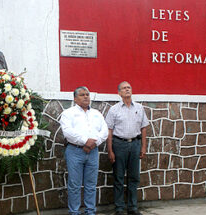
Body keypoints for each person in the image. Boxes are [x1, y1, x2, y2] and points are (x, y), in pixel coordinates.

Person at [59, 86, 108, 215]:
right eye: (82, 95)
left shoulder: (97, 114)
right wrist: (85, 141)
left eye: (87, 94)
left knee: (91, 184)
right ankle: (74, 212)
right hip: (75, 151)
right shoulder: (68, 113)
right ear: (75, 99)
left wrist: (94, 143)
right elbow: (68, 132)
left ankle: (90, 211)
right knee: (74, 185)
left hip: (93, 152)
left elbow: (104, 131)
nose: (86, 96)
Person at [105, 81, 149, 215]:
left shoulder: (139, 108)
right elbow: (109, 131)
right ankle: (119, 208)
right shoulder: (114, 109)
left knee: (134, 177)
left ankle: (132, 207)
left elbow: (144, 128)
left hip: (135, 144)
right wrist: (110, 150)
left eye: (129, 87)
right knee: (118, 177)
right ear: (119, 93)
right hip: (119, 145)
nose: (127, 90)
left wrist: (143, 147)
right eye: (124, 88)